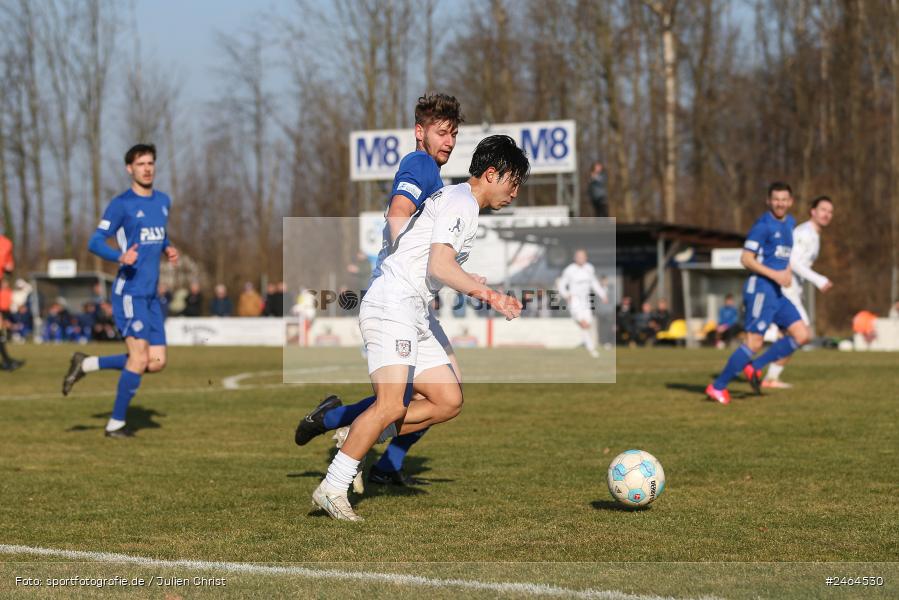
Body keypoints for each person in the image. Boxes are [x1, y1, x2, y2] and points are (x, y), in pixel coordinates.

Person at [306, 135, 528, 521]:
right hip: (393, 304)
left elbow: (432, 260)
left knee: (448, 400)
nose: (515, 192)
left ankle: (360, 431)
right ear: (492, 174)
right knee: (390, 403)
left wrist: (466, 277)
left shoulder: (460, 200)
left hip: (414, 309)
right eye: (513, 182)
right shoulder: (463, 204)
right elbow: (439, 266)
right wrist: (492, 296)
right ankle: (333, 486)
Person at [296, 93, 464, 488]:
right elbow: (398, 211)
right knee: (405, 399)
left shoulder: (435, 176)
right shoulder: (418, 162)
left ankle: (364, 443)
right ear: (419, 132)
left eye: (454, 134)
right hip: (395, 302)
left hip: (415, 302)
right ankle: (347, 431)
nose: (450, 141)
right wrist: (403, 245)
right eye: (442, 132)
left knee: (443, 394)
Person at [61, 143, 179, 438]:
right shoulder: (121, 204)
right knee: (138, 359)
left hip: (151, 296)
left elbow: (158, 234)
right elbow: (95, 241)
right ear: (130, 169)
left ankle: (86, 363)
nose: (147, 168)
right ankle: (115, 424)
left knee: (155, 362)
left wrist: (168, 248)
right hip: (129, 293)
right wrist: (119, 256)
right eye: (141, 164)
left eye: (151, 163)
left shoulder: (163, 201)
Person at [706, 182, 810, 405]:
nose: (780, 203)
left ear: (790, 202)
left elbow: (785, 255)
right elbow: (746, 259)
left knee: (802, 335)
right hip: (761, 290)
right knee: (754, 342)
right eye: (776, 199)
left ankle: (755, 366)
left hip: (777, 291)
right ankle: (717, 386)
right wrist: (776, 275)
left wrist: (787, 272)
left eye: (784, 199)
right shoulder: (763, 225)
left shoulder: (790, 223)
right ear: (768, 201)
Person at [759, 196, 834, 389]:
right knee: (802, 333)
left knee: (793, 336)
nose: (827, 214)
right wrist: (818, 279)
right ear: (813, 211)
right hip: (787, 288)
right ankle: (761, 370)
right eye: (823, 209)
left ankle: (769, 376)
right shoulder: (805, 233)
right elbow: (793, 262)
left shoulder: (814, 235)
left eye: (830, 211)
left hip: (793, 289)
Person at [557, 249, 608, 357]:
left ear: (586, 257)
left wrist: (602, 295)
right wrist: (566, 295)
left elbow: (594, 283)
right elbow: (561, 285)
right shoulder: (569, 270)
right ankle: (591, 349)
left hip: (586, 301)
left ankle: (587, 344)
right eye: (578, 256)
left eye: (583, 256)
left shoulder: (589, 268)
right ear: (575, 258)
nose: (581, 258)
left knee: (587, 324)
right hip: (575, 300)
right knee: (584, 324)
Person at [0, 233, 24, 371]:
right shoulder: (6, 243)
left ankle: (7, 361)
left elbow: (9, 267)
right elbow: (9, 267)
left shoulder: (6, 243)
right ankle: (7, 361)